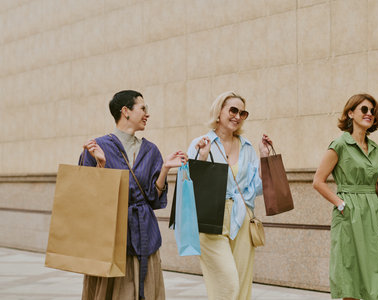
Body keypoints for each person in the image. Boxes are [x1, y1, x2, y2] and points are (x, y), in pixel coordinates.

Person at [80, 90, 187, 300]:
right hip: (111, 236)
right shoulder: (96, 147)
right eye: (143, 108)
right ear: (126, 111)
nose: (147, 114)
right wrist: (100, 165)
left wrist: (165, 169)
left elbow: (154, 199)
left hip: (144, 231)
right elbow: (87, 197)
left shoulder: (150, 150)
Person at [313, 94, 378, 300]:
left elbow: (377, 187)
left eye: (373, 111)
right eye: (364, 109)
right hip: (350, 215)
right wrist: (341, 204)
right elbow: (318, 181)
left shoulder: (375, 148)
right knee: (350, 276)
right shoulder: (339, 144)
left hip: (374, 214)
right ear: (350, 113)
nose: (369, 114)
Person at [187, 91, 272, 300]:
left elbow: (257, 188)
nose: (237, 116)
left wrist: (264, 157)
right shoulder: (202, 142)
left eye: (243, 113)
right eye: (233, 110)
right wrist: (203, 157)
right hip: (211, 217)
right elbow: (190, 184)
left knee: (242, 285)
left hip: (243, 216)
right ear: (219, 112)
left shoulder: (247, 147)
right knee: (227, 283)